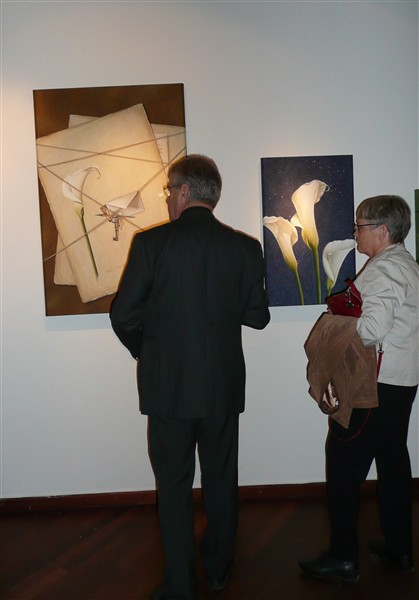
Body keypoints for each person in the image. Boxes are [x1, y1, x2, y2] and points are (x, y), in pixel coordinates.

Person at [110, 154, 270, 600]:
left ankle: (180, 586)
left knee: (174, 487)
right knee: (221, 482)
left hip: (168, 389)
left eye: (168, 190)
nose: (167, 199)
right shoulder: (244, 248)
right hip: (222, 388)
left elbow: (123, 315)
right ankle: (218, 570)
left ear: (183, 192)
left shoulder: (151, 244)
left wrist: (146, 350)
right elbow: (258, 318)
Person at [299, 195, 419, 582]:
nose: (355, 233)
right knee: (393, 463)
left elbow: (372, 330)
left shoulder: (384, 269)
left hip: (375, 387)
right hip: (400, 383)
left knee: (342, 466)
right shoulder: (406, 264)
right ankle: (400, 548)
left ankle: (343, 558)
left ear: (382, 230)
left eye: (360, 226)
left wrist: (337, 322)